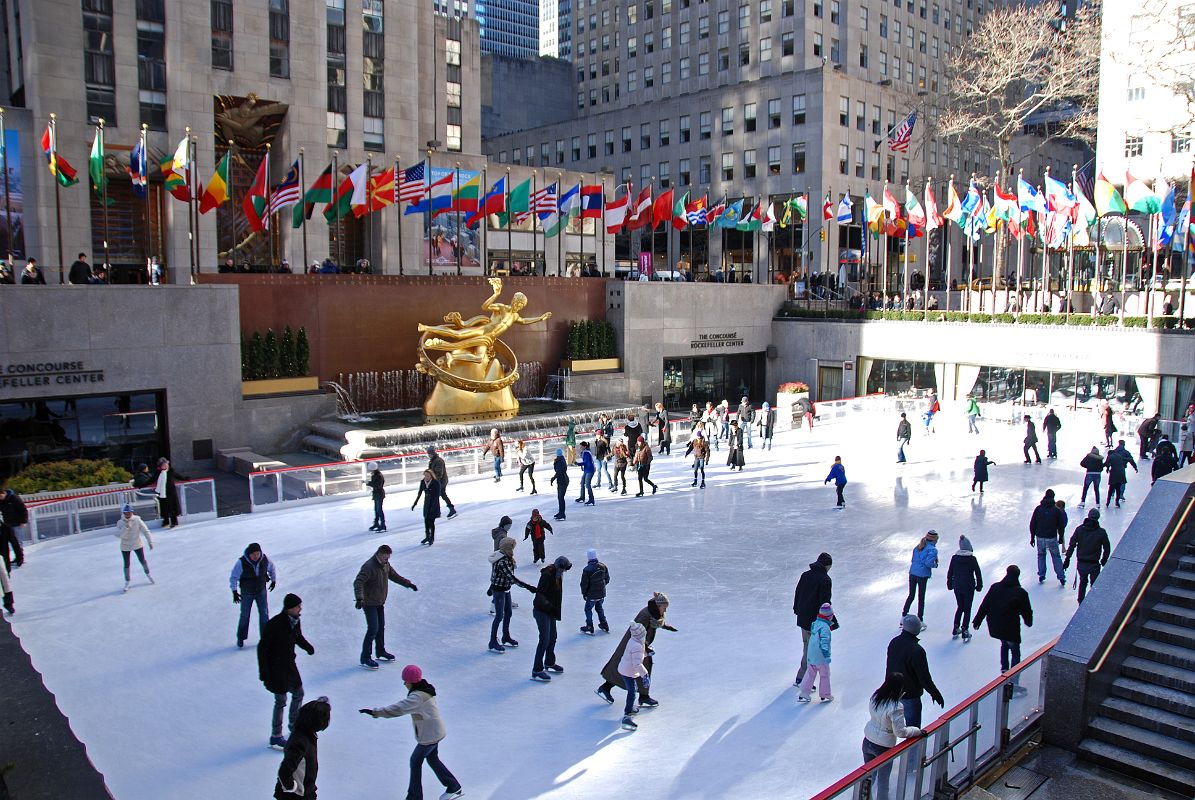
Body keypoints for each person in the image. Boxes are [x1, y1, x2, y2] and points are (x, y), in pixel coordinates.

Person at [359, 664, 464, 800]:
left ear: (411, 682)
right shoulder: (424, 689)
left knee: (415, 761)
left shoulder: (417, 697)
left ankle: (415, 797)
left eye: (406, 681)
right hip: (435, 731)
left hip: (429, 735)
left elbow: (397, 709)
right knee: (432, 758)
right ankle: (453, 786)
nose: (404, 684)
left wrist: (375, 712)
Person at [597, 592, 675, 706]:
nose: (665, 611)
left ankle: (642, 695)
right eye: (664, 608)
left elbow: (655, 623)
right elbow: (637, 633)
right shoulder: (646, 615)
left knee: (629, 669)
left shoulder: (652, 612)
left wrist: (665, 626)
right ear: (658, 606)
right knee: (629, 668)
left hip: (638, 646)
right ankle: (641, 696)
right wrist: (645, 649)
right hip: (633, 647)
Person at [259, 593, 314, 749]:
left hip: (289, 665)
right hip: (276, 668)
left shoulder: (295, 621)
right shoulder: (275, 624)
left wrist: (307, 647)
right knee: (281, 700)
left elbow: (298, 637)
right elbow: (262, 649)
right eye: (298, 606)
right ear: (290, 608)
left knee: (299, 693)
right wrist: (264, 672)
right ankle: (276, 735)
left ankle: (294, 726)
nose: (300, 609)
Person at [353, 545, 418, 669]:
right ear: (378, 554)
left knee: (380, 628)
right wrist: (360, 598)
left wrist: (408, 584)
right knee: (373, 629)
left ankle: (380, 651)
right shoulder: (369, 566)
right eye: (384, 557)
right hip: (369, 603)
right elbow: (358, 582)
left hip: (379, 602)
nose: (387, 559)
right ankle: (365, 657)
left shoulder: (385, 565)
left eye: (388, 557)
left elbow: (394, 576)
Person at [862, 673, 922, 800]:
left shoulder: (876, 697)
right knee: (883, 780)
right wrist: (917, 731)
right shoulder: (896, 707)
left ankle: (864, 798)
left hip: (867, 741)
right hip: (883, 747)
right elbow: (900, 732)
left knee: (868, 777)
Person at [973, 565, 1034, 682]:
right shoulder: (1020, 593)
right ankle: (1013, 680)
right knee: (1015, 651)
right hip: (1010, 628)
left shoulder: (995, 587)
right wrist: (1028, 622)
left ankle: (1005, 669)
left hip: (995, 626)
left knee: (1004, 644)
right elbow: (1026, 610)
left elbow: (985, 604)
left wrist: (977, 620)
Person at [886, 615, 945, 726]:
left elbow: (890, 666)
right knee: (913, 730)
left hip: (893, 692)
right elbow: (924, 677)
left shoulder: (894, 642)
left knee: (893, 726)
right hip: (909, 695)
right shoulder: (917, 650)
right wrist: (935, 693)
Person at [273, 696, 331, 800]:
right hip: (296, 795)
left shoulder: (306, 733)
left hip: (305, 790)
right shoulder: (300, 742)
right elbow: (284, 771)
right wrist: (293, 788)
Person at [488, 536, 537, 652]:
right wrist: (528, 587)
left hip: (505, 589)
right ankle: (492, 641)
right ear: (508, 548)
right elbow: (511, 578)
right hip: (499, 590)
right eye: (512, 547)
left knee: (508, 613)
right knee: (499, 616)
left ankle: (505, 636)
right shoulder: (502, 561)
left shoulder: (506, 557)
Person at [793, 553, 833, 686]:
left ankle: (801, 677)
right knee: (813, 651)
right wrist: (828, 622)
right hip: (815, 622)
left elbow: (798, 593)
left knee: (807, 647)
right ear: (827, 565)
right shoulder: (825, 580)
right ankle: (804, 680)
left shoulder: (805, 575)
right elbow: (825, 604)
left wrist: (797, 610)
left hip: (803, 619)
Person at [531, 555, 572, 682]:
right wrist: (549, 606)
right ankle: (536, 670)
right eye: (563, 569)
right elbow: (540, 595)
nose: (564, 572)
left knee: (552, 637)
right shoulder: (547, 575)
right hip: (542, 611)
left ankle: (549, 662)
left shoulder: (557, 576)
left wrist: (554, 609)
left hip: (550, 611)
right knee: (544, 639)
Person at [231, 542, 276, 648]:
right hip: (247, 593)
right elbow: (234, 577)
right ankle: (241, 638)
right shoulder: (241, 562)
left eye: (257, 554)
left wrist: (273, 580)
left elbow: (272, 568)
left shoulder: (265, 559)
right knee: (245, 615)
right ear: (249, 554)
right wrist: (234, 592)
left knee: (264, 614)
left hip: (261, 591)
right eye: (253, 554)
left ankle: (265, 638)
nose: (256, 556)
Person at [1064, 509, 1112, 603]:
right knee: (1094, 585)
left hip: (1081, 563)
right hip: (1094, 564)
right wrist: (1104, 559)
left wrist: (1067, 559)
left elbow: (1072, 545)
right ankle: (1093, 603)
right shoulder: (1101, 532)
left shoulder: (1079, 529)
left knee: (1083, 582)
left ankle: (1080, 601)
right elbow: (1107, 547)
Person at [947, 535, 982, 642]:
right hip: (968, 586)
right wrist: (979, 585)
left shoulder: (954, 558)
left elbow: (950, 572)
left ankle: (956, 627)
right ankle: (965, 629)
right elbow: (978, 573)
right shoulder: (972, 559)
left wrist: (949, 583)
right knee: (967, 609)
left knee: (960, 607)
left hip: (957, 586)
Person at [797, 603, 835, 703]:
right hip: (821, 657)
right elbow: (824, 642)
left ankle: (804, 692)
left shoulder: (815, 624)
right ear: (829, 617)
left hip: (811, 655)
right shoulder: (825, 628)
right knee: (824, 675)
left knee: (810, 674)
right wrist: (826, 656)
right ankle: (825, 694)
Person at [902, 531, 939, 627]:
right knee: (921, 598)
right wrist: (935, 565)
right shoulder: (933, 550)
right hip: (922, 575)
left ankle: (903, 617)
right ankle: (920, 620)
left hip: (913, 573)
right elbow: (928, 563)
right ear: (934, 540)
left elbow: (913, 560)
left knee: (911, 595)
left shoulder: (917, 547)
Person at [1029, 489, 1066, 585]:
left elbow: (1033, 523)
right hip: (1051, 537)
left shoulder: (1038, 509)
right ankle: (1061, 576)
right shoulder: (1056, 511)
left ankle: (1041, 574)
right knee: (1056, 557)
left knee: (1041, 555)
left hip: (1040, 537)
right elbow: (1061, 525)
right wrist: (1061, 537)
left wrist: (1032, 537)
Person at [616, 622, 650, 730]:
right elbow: (637, 664)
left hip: (624, 669)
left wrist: (646, 654)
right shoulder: (638, 645)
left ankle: (630, 709)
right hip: (628, 672)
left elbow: (635, 656)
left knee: (633, 690)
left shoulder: (633, 641)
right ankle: (627, 714)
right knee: (632, 692)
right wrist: (645, 675)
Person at [115, 503, 154, 592]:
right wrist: (126, 528)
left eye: (129, 512)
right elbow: (119, 535)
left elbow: (145, 531)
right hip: (125, 546)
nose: (127, 514)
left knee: (142, 560)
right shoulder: (120, 522)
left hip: (137, 544)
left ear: (132, 512)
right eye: (125, 513)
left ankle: (148, 574)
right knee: (126, 563)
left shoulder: (137, 520)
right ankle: (127, 581)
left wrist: (150, 541)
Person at [580, 547, 610, 634]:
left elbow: (584, 584)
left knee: (588, 609)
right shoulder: (603, 566)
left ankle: (589, 626)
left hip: (592, 595)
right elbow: (607, 579)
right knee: (599, 607)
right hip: (601, 594)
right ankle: (604, 624)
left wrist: (584, 594)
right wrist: (601, 588)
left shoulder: (587, 570)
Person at [0, 477, 27, 571]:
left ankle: (20, 558)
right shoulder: (1, 501)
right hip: (8, 524)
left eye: (0, 496)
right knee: (12, 543)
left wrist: (23, 521)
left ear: (3, 493)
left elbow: (23, 509)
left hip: (17, 523)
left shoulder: (14, 498)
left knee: (18, 541)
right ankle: (17, 558)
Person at [425, 446, 458, 519]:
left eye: (429, 453)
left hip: (441, 481)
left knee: (439, 495)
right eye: (428, 454)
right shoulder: (432, 461)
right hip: (438, 481)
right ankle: (446, 510)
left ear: (433, 453)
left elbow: (439, 473)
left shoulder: (438, 461)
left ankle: (450, 510)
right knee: (440, 495)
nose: (428, 455)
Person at [411, 470, 442, 545]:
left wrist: (433, 507)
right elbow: (419, 493)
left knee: (431, 522)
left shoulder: (435, 483)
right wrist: (415, 503)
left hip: (434, 504)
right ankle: (427, 536)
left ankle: (432, 538)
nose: (426, 477)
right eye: (425, 475)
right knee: (426, 521)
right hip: (427, 503)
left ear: (431, 476)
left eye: (427, 476)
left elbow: (437, 496)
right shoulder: (423, 482)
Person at [1105, 439, 1139, 508]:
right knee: (1120, 484)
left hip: (1114, 471)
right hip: (1121, 470)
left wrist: (1107, 468)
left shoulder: (1113, 452)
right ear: (1124, 444)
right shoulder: (1125, 452)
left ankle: (1110, 497)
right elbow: (1130, 460)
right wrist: (1135, 467)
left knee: (1112, 486)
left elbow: (1108, 461)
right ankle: (1120, 495)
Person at [154, 456, 186, 528]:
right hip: (162, 492)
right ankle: (166, 521)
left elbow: (177, 476)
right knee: (164, 507)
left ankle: (174, 521)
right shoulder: (158, 472)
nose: (166, 465)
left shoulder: (171, 470)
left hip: (171, 492)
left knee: (172, 507)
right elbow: (153, 479)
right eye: (163, 464)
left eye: (166, 464)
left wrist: (185, 479)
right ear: (161, 466)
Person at [549, 448, 569, 521]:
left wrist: (553, 478)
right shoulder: (559, 460)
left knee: (561, 498)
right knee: (560, 498)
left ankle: (562, 514)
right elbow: (557, 470)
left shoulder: (561, 461)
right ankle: (560, 512)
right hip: (561, 480)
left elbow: (559, 472)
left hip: (563, 480)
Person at [366, 464, 387, 531]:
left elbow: (377, 485)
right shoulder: (375, 475)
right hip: (376, 494)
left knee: (379, 510)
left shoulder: (378, 476)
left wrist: (368, 483)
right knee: (376, 510)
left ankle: (383, 525)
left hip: (379, 494)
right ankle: (376, 523)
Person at [576, 440, 595, 505]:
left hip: (589, 470)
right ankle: (582, 497)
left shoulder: (586, 453)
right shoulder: (585, 452)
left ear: (584, 446)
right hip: (586, 470)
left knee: (587, 484)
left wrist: (578, 464)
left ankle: (591, 499)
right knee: (582, 483)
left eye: (581, 446)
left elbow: (586, 462)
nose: (580, 448)